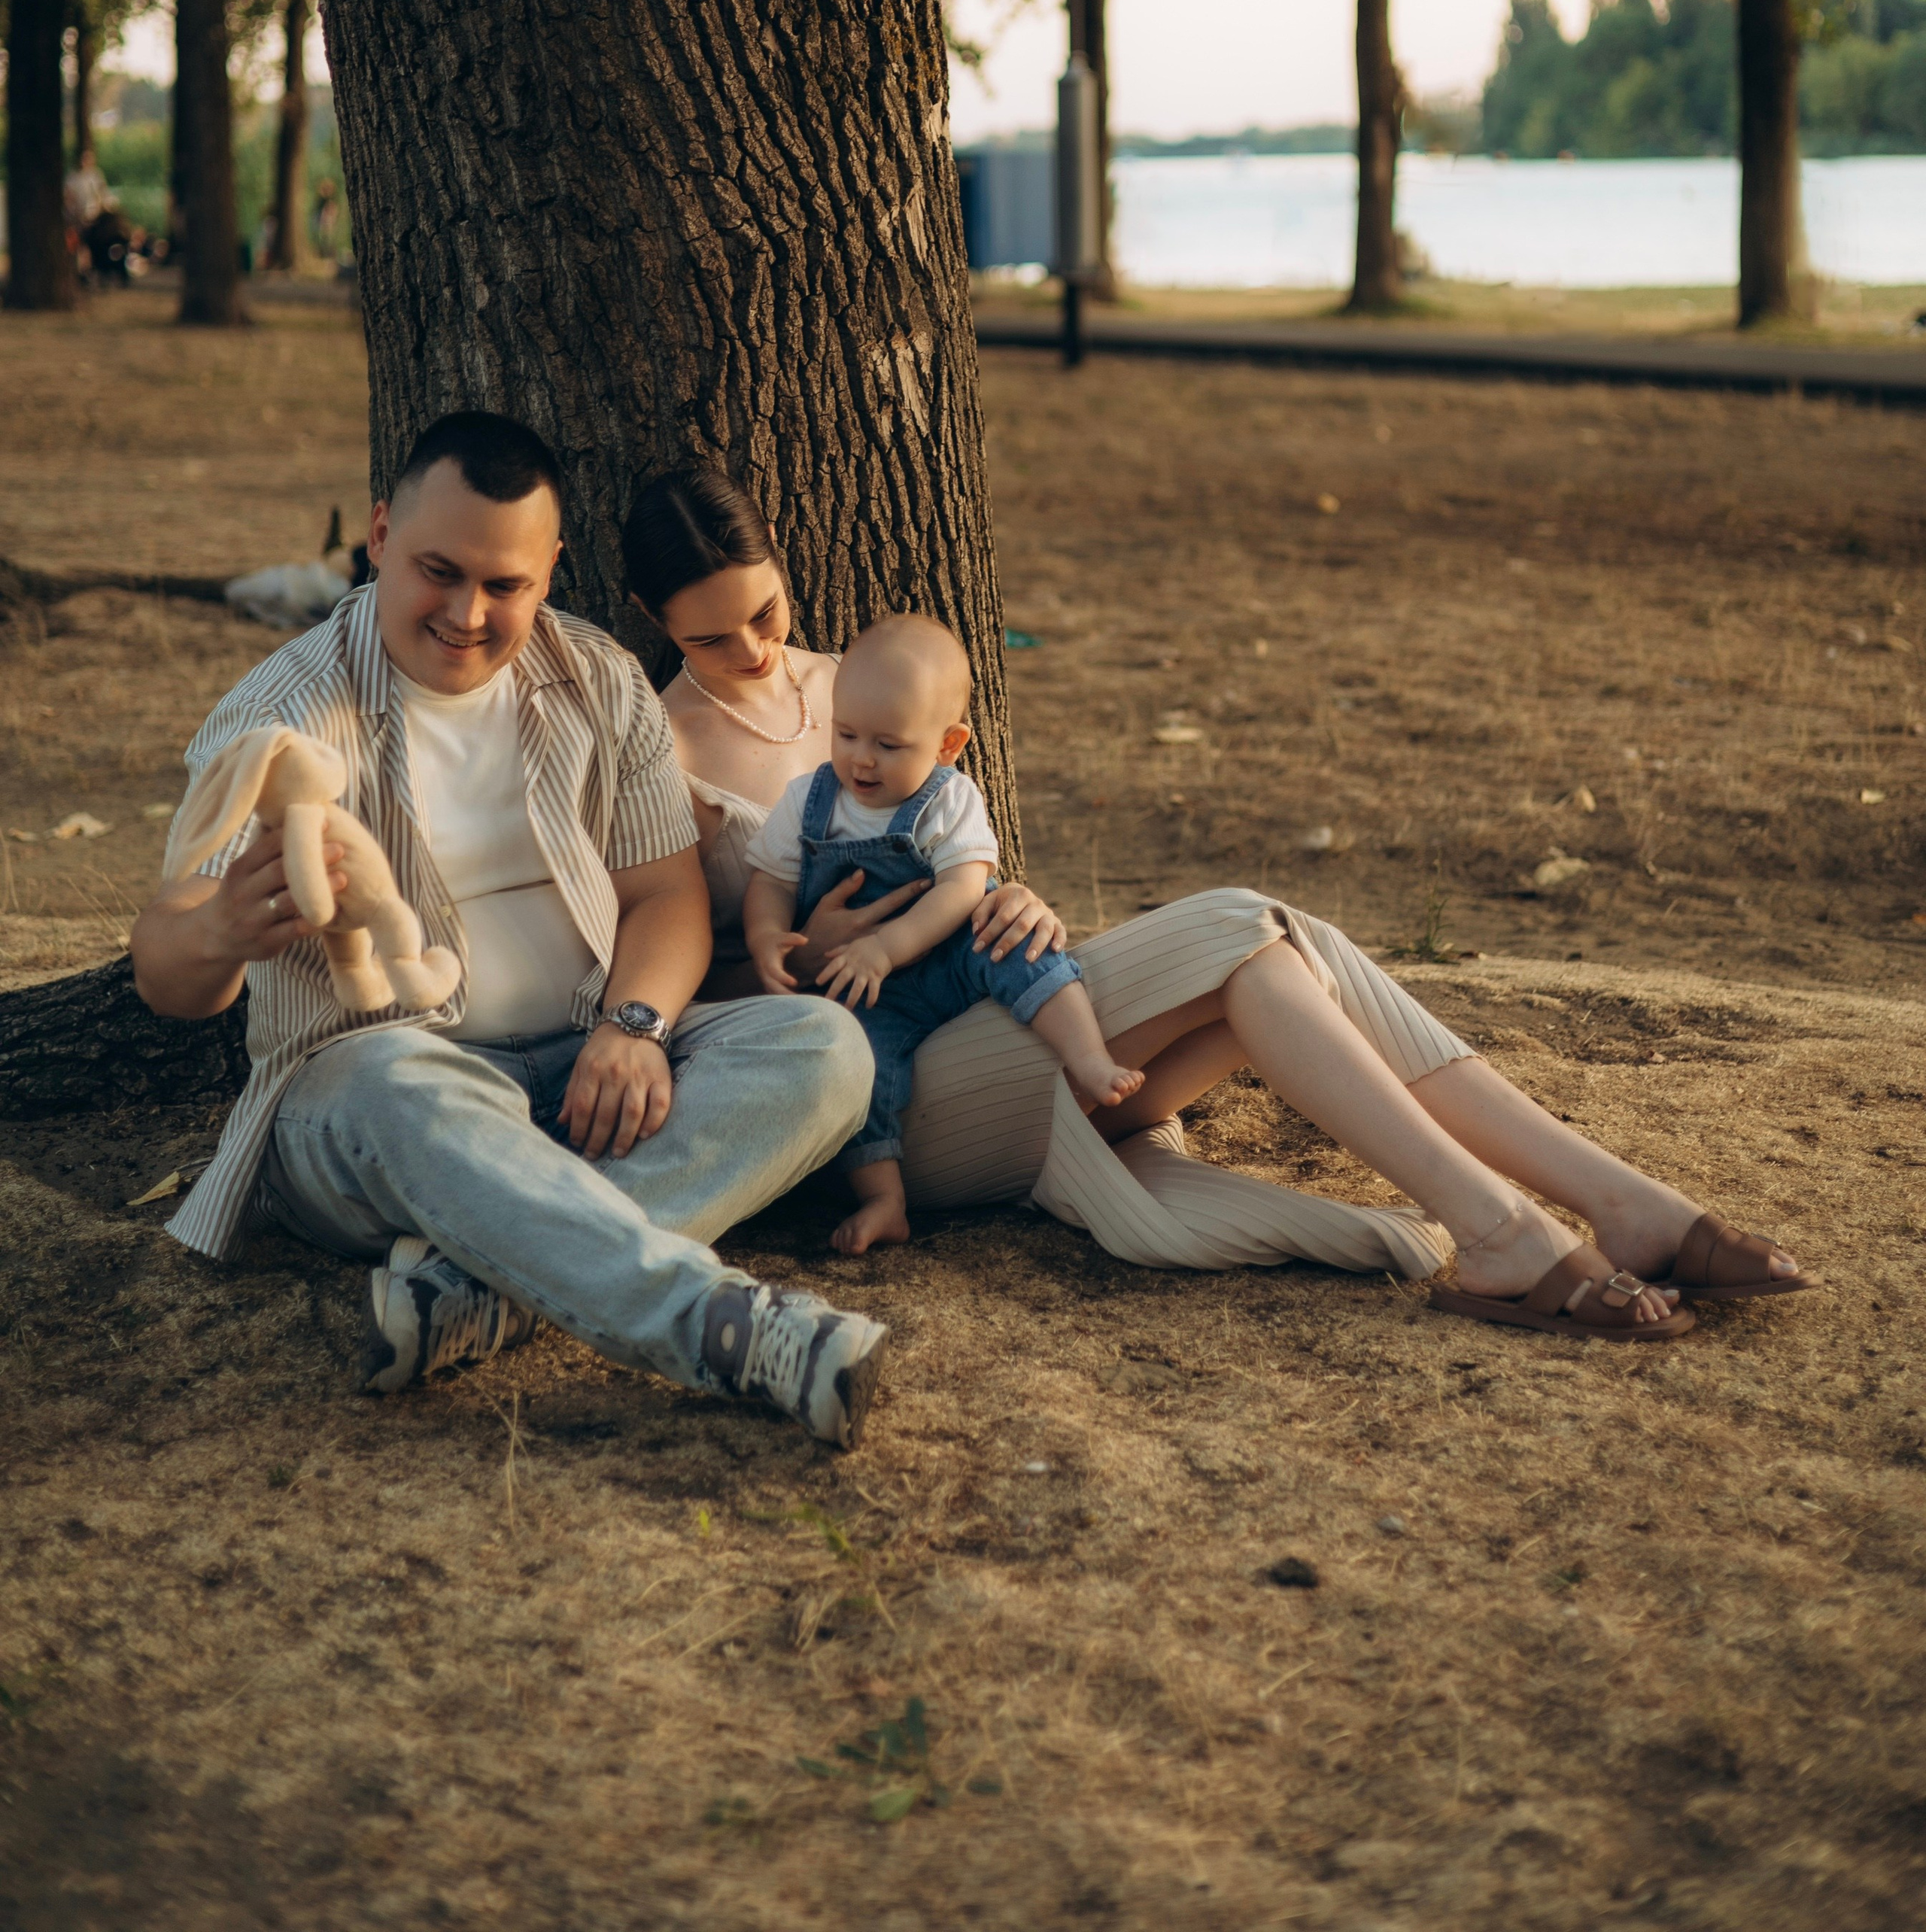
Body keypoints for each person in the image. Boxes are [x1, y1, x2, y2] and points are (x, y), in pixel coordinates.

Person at [624, 466, 1813, 1341]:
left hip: (988, 1004)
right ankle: (1540, 1226)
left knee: (1280, 951)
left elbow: (960, 850)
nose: (759, 651)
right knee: (1249, 923)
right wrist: (792, 952)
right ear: (655, 626)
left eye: (768, 614)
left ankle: (1592, 1208)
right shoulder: (658, 751)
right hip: (879, 1095)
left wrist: (1005, 896)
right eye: (715, 638)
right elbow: (674, 974)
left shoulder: (861, 682)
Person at [129, 412, 891, 1448]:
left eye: (506, 585)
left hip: (587, 1069)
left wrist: (634, 1025)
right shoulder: (288, 711)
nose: (468, 612)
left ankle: (485, 1284)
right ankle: (720, 1327)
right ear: (382, 535)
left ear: (551, 570)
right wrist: (221, 925)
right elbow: (166, 969)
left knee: (825, 1048)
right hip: (379, 1096)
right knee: (397, 1083)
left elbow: (664, 896)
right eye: (439, 571)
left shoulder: (596, 678)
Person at [743, 614, 1142, 1253]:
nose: (861, 758)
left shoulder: (948, 798)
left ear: (948, 744)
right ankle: (884, 1199)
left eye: (889, 744)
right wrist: (768, 937)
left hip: (951, 947)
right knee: (854, 1065)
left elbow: (961, 888)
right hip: (864, 983)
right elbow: (771, 881)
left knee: (1022, 950)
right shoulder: (806, 800)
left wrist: (888, 945)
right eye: (846, 735)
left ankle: (1089, 1059)